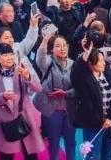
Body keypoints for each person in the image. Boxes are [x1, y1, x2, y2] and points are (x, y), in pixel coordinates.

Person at [0, 43, 44, 160]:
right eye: (5, 55)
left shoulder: (21, 71)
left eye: (11, 54)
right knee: (6, 156)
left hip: (25, 118)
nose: (9, 57)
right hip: (4, 120)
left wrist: (28, 77)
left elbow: (38, 88)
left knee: (30, 154)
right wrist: (3, 97)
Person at [70, 47, 111, 160]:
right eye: (100, 60)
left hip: (110, 124)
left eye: (103, 60)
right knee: (92, 156)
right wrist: (84, 56)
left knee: (108, 154)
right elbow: (75, 74)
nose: (104, 63)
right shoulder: (83, 80)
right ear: (90, 63)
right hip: (92, 125)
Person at [35, 27, 75, 160]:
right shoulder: (48, 62)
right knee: (54, 143)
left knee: (71, 143)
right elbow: (40, 60)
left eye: (64, 46)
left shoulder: (73, 64)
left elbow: (79, 88)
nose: (62, 48)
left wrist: (66, 93)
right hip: (52, 111)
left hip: (69, 110)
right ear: (52, 49)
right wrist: (45, 40)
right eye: (58, 46)